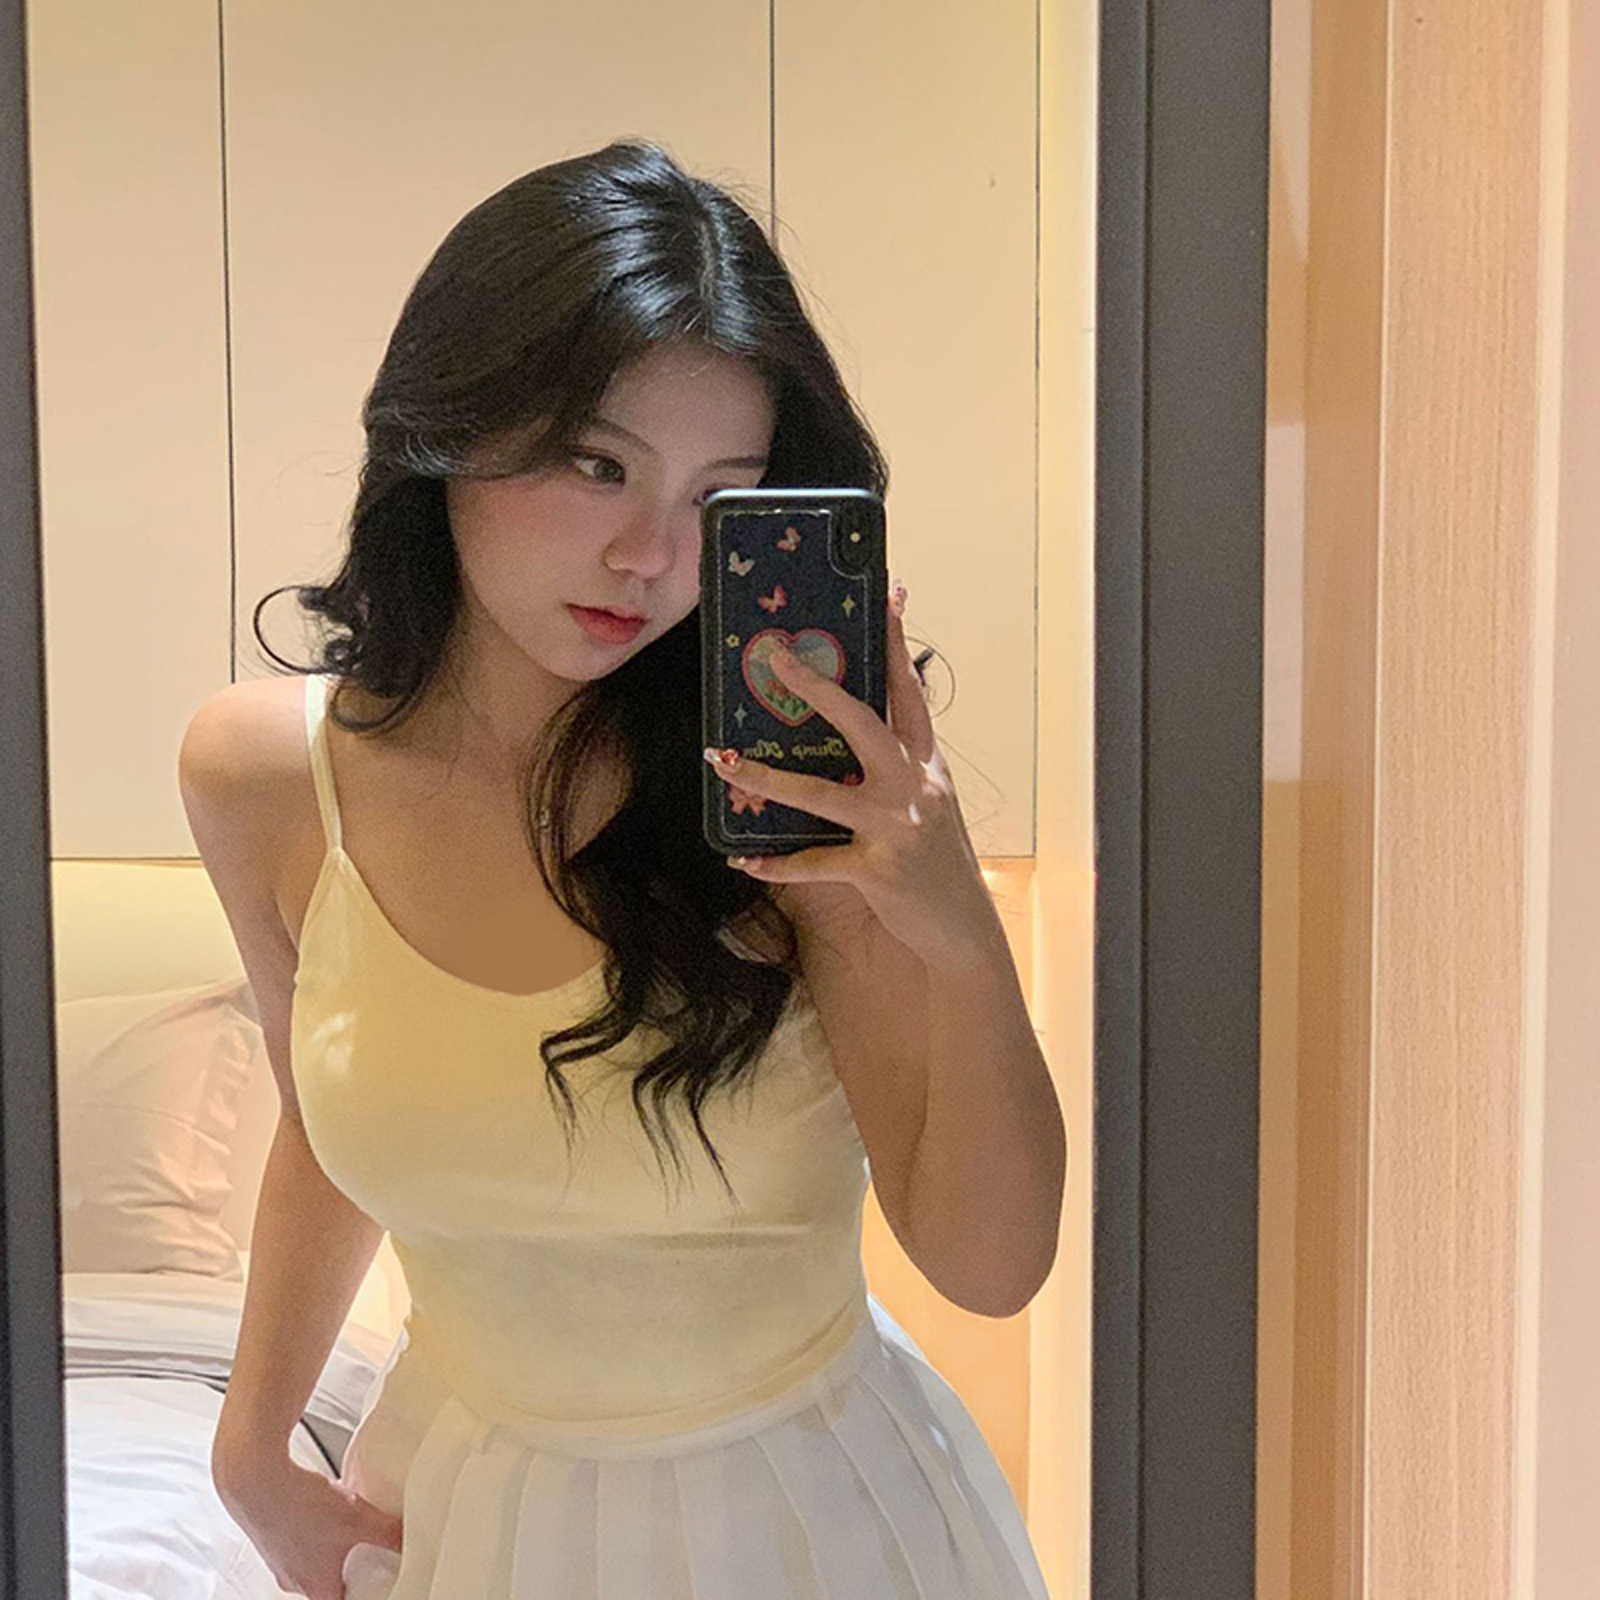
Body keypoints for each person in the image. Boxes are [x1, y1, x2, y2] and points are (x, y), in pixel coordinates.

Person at [180, 137, 1062, 1600]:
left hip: (810, 1521)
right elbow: (324, 1123)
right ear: (449, 431)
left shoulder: (783, 799)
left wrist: (959, 934)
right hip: (462, 1505)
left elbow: (991, 1265)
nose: (653, 557)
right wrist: (251, 1451)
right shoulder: (266, 780)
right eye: (598, 467)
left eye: (724, 497)